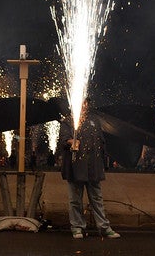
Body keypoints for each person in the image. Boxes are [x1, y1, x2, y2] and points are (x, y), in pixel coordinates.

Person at [58, 98, 120, 239]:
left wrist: (104, 163)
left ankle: (104, 227)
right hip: (75, 167)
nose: (84, 105)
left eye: (86, 103)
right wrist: (71, 142)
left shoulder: (94, 120)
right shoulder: (67, 121)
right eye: (81, 102)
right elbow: (63, 139)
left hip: (93, 166)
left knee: (97, 198)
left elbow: (101, 142)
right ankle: (77, 227)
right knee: (75, 200)